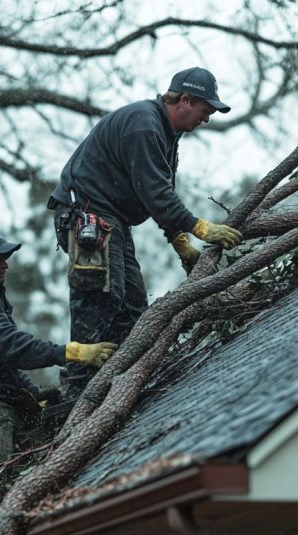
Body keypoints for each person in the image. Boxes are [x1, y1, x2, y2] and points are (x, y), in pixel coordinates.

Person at [48, 67, 244, 396]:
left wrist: (181, 245)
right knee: (100, 300)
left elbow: (159, 193)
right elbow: (156, 194)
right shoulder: (143, 125)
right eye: (205, 110)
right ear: (184, 100)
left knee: (133, 304)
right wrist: (200, 229)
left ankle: (123, 381)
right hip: (86, 216)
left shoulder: (167, 135)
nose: (207, 119)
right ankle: (77, 393)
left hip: (112, 221)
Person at [0, 223, 117, 483]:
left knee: (34, 444)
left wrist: (33, 395)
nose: (5, 265)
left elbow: (2, 363)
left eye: (6, 258)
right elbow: (8, 345)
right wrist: (69, 352)